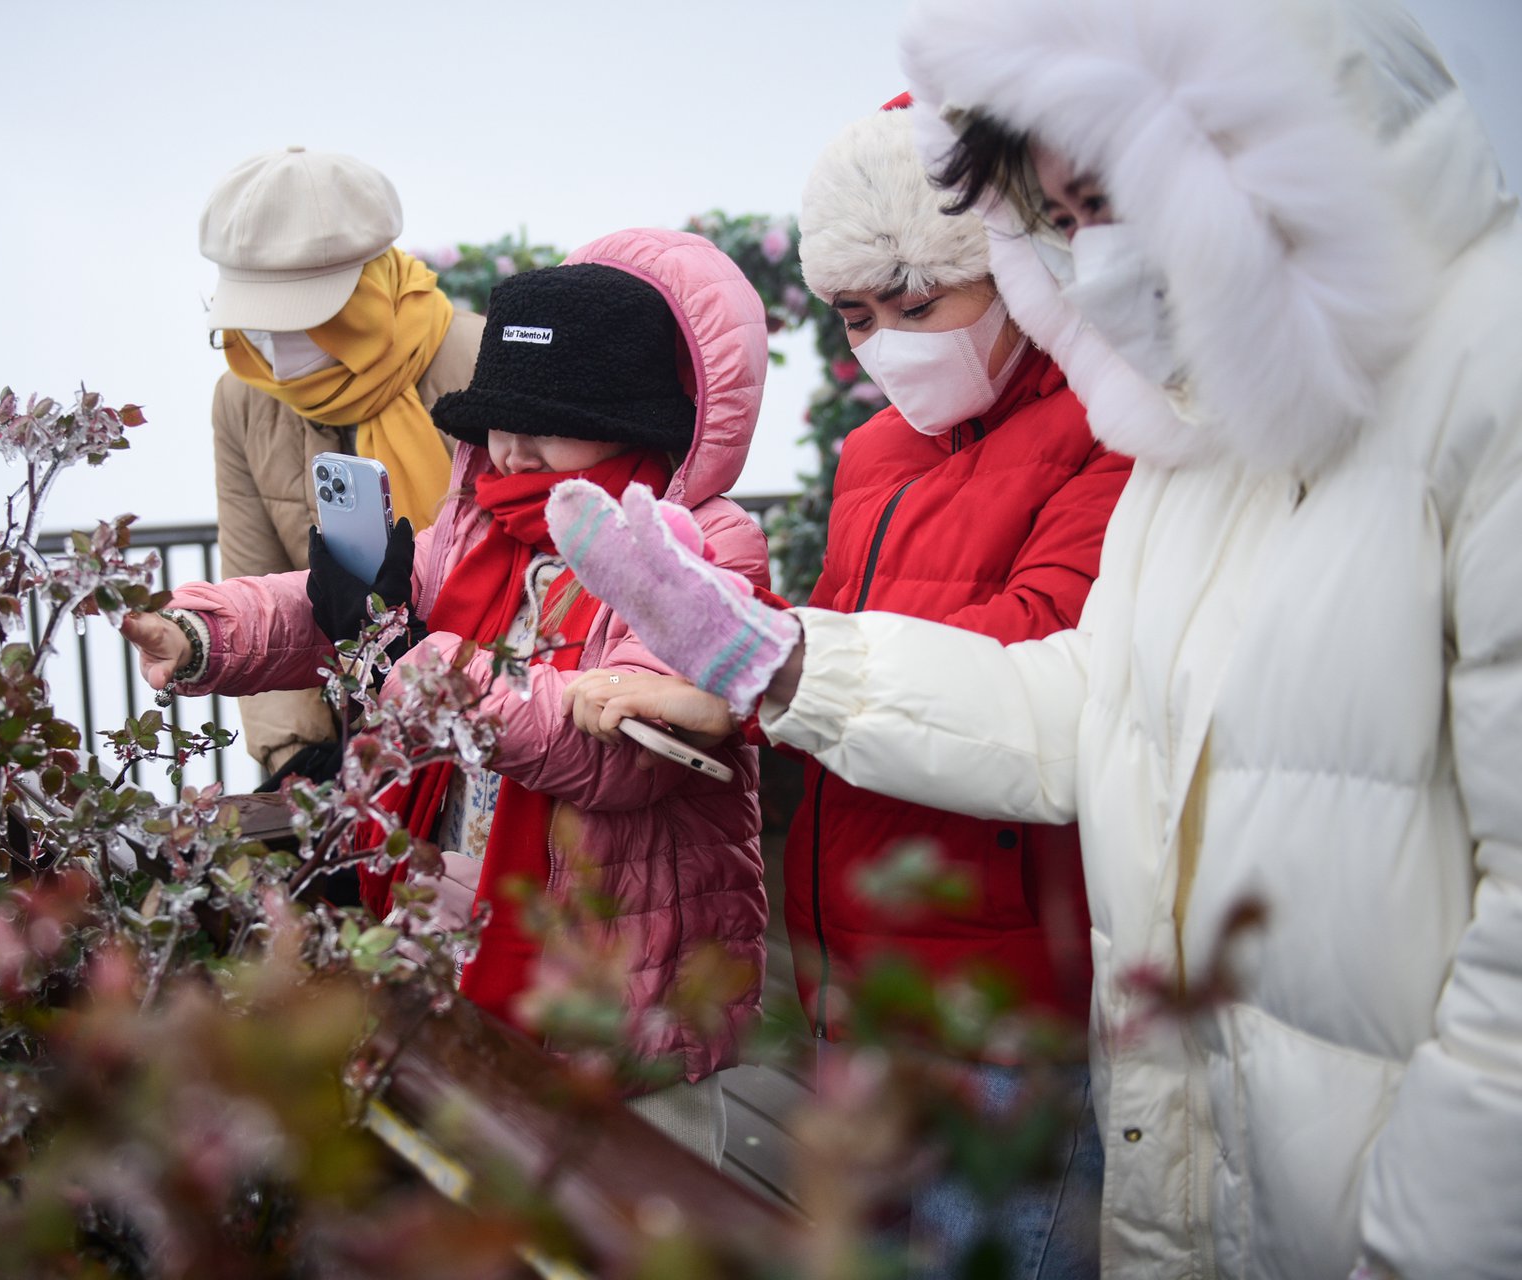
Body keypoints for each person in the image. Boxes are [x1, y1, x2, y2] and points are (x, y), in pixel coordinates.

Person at [547, 0, 1522, 1274]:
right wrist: (774, 658)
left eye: (1108, 194)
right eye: (1055, 224)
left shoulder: (1480, 373)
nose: (1091, 261)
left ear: (1250, 122)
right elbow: (1083, 707)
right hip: (1209, 1153)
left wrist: (1417, 1245)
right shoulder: (1197, 438)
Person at [573, 102, 1127, 1276]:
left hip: (1004, 985)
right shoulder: (876, 452)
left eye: (919, 303)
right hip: (850, 958)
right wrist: (726, 691)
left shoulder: (1105, 430)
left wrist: (766, 655)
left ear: (1015, 268)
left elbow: (1037, 648)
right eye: (858, 316)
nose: (888, 342)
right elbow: (839, 653)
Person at [124, 230, 773, 1164]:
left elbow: (614, 755)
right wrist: (201, 635)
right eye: (494, 418)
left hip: (618, 978)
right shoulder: (479, 528)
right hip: (461, 921)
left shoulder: (702, 549)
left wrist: (402, 651)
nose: (508, 445)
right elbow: (332, 617)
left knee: (639, 1218)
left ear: (637, 420)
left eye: (542, 417)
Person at [198, 146, 483, 786]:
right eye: (249, 317)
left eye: (289, 315)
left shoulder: (476, 359)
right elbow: (253, 571)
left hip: (486, 722)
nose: (263, 345)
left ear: (362, 289)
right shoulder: (242, 396)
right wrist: (294, 754)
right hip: (342, 737)